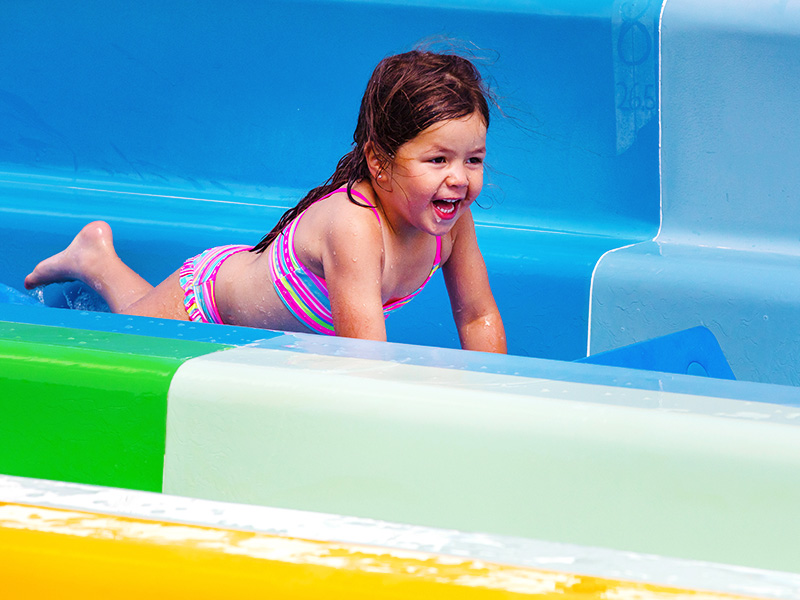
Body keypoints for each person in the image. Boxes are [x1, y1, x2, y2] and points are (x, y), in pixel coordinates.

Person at [24, 50, 507, 353]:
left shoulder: (452, 224)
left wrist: (495, 401)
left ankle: (95, 254)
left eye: (474, 160)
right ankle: (95, 259)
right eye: (439, 160)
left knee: (134, 316)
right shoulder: (355, 228)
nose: (458, 180)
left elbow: (476, 313)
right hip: (206, 302)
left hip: (252, 316)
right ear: (379, 164)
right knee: (124, 340)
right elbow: (366, 365)